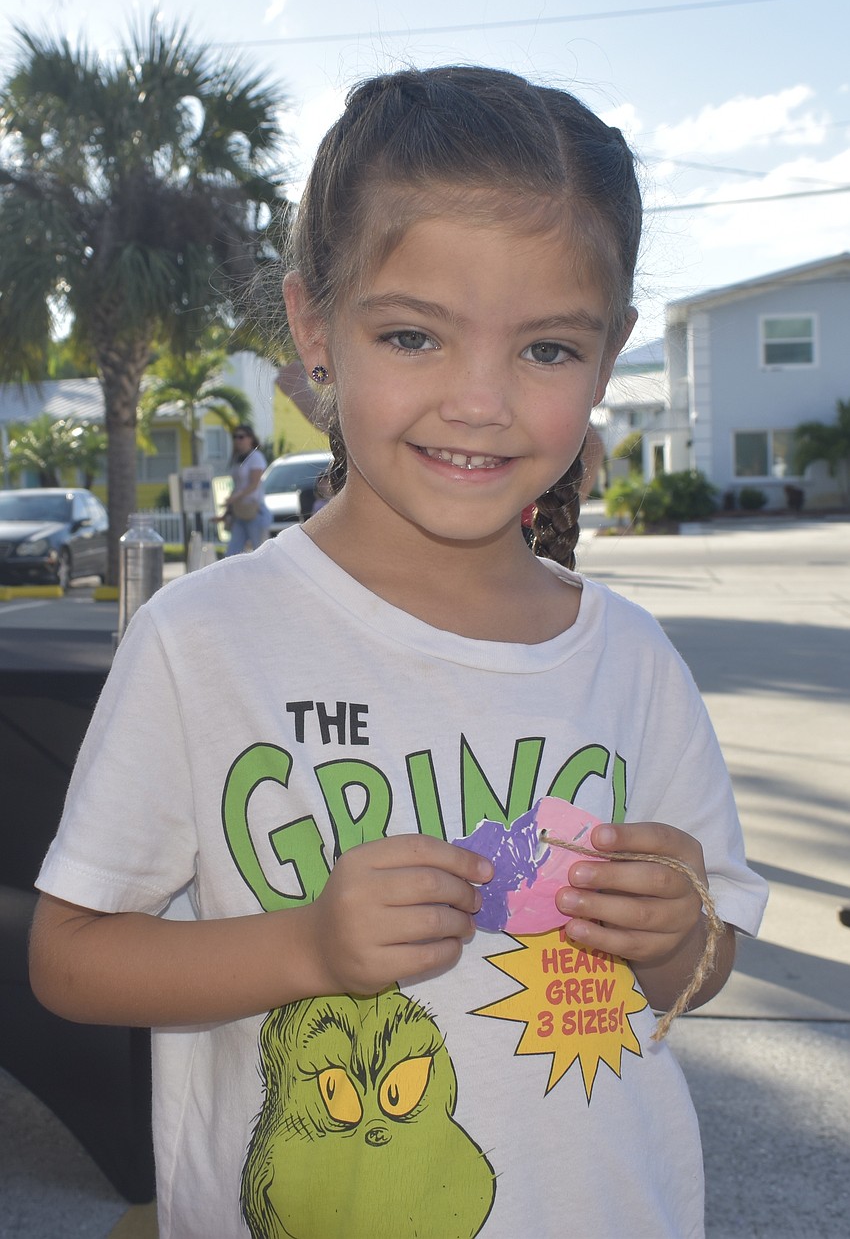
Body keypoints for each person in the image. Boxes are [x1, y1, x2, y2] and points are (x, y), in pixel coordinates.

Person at [30, 66, 767, 1239]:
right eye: (414, 334)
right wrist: (307, 944)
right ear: (315, 328)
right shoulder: (205, 639)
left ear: (610, 353)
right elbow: (69, 961)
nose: (479, 401)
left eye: (546, 351)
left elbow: (699, 964)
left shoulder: (627, 658)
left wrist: (675, 931)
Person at [222, 424, 272, 555]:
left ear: (250, 439)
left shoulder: (256, 457)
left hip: (254, 510)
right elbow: (236, 486)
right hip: (240, 511)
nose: (237, 440)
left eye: (241, 437)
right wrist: (227, 511)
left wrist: (235, 497)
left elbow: (253, 485)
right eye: (235, 437)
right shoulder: (237, 458)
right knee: (232, 553)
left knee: (260, 552)